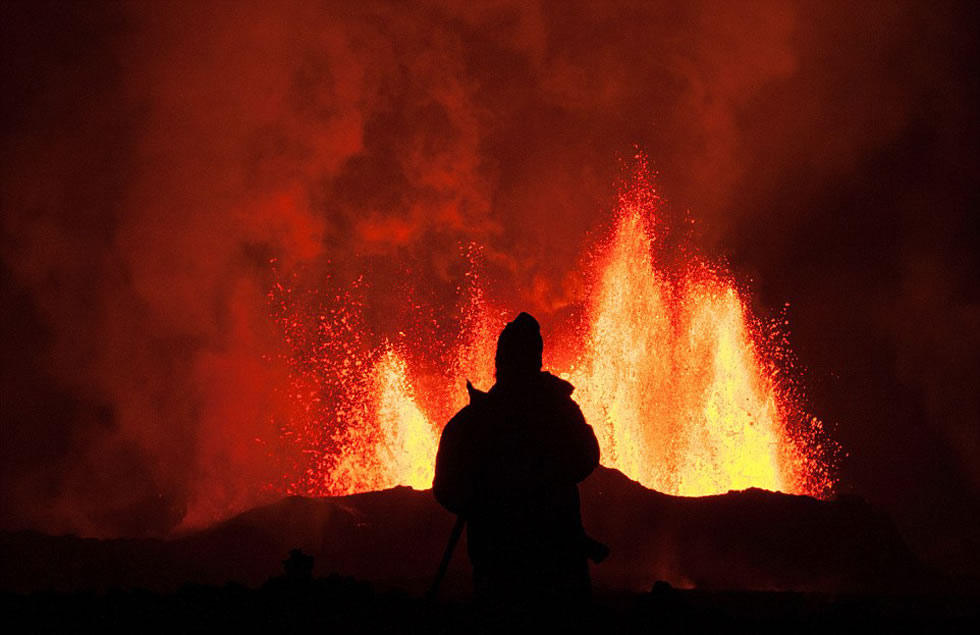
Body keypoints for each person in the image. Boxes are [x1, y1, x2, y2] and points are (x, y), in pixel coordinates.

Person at [432, 312, 602, 608]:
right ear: (537, 360)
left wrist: (485, 500)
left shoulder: (473, 421)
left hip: (498, 565)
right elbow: (587, 457)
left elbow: (447, 490)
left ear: (499, 362)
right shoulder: (560, 414)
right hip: (558, 564)